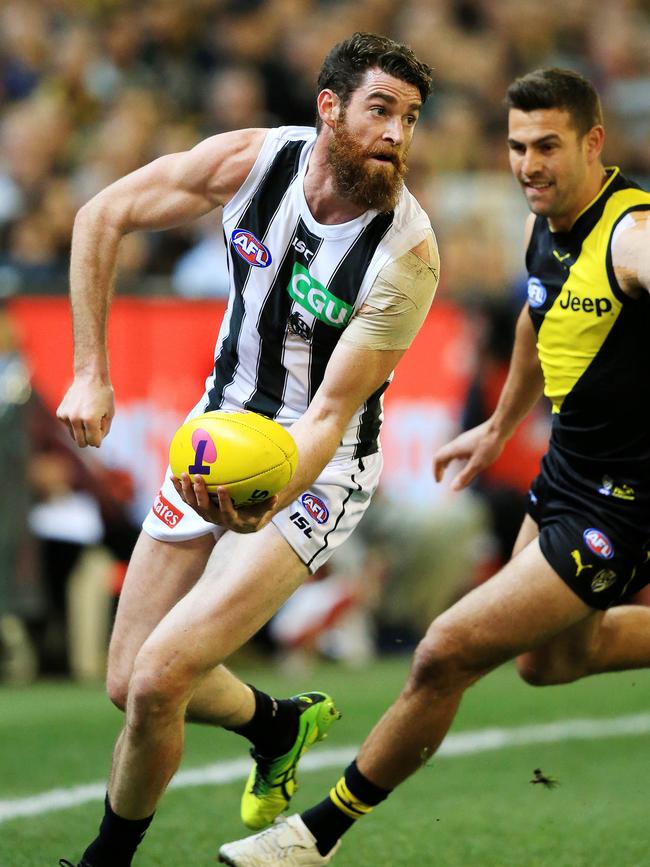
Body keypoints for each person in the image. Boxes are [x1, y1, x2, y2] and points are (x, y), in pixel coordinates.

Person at [218, 67, 650, 866]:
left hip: (619, 506)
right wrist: (495, 426)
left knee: (444, 650)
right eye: (518, 146)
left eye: (548, 145)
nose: (529, 164)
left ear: (595, 142)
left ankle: (315, 835)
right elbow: (538, 316)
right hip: (564, 477)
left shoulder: (630, 233)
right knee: (551, 660)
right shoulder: (552, 219)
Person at [55, 32, 438, 867]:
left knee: (160, 679)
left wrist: (264, 492)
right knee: (127, 681)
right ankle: (278, 721)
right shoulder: (253, 163)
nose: (396, 135)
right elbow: (101, 214)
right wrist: (92, 372)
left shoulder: (406, 257)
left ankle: (103, 861)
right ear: (328, 107)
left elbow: (331, 415)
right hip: (217, 428)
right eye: (381, 110)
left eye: (411, 118)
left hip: (315, 470)